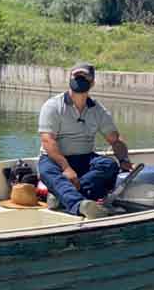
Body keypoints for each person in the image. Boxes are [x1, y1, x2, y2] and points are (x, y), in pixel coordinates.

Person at [38, 62, 133, 219]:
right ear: (70, 79)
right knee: (47, 171)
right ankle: (79, 205)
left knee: (109, 165)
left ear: (92, 82)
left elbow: (115, 140)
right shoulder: (53, 106)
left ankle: (61, 196)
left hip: (85, 159)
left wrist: (124, 160)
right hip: (55, 160)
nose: (79, 79)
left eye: (84, 77)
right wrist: (66, 168)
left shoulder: (98, 110)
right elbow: (48, 141)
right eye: (76, 76)